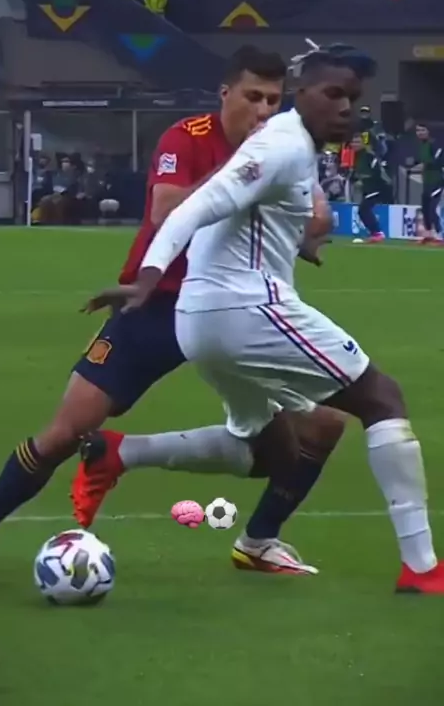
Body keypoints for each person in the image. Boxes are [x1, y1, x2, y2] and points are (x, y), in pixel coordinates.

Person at [0, 46, 344, 575]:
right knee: (64, 432)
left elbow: (314, 215)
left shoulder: (284, 147)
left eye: (272, 100)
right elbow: (166, 209)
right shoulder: (187, 137)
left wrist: (304, 228)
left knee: (317, 430)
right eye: (252, 96)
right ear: (226, 94)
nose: (262, 110)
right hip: (156, 303)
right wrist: (242, 180)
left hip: (235, 313)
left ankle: (257, 541)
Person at [107, 42, 444, 593]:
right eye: (333, 94)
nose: (345, 109)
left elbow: (247, 217)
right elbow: (195, 206)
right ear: (301, 93)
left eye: (353, 99)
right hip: (245, 309)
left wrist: (295, 243)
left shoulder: (292, 145)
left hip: (201, 320)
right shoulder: (283, 144)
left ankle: (122, 454)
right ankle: (423, 568)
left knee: (268, 447)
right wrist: (148, 276)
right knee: (381, 398)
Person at [350, 132, 391, 242]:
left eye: (358, 142)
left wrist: (364, 180)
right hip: (368, 188)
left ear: (363, 143)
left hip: (376, 187)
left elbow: (377, 172)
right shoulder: (357, 156)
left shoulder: (369, 156)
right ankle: (375, 232)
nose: (355, 144)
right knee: (364, 210)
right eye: (353, 142)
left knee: (363, 209)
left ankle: (377, 232)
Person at [412, 124, 444, 244]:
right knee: (425, 209)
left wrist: (424, 164)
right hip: (427, 181)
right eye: (417, 130)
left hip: (437, 181)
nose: (420, 132)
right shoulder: (421, 145)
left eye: (422, 130)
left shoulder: (435, 144)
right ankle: (429, 234)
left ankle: (440, 234)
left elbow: (438, 161)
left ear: (428, 131)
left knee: (431, 208)